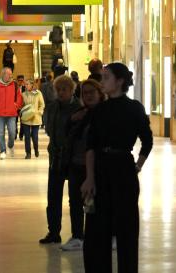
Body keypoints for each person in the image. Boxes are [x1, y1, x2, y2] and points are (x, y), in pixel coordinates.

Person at [81, 62, 153, 273]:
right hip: (101, 169)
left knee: (126, 229)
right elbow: (91, 146)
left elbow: (147, 141)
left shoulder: (134, 108)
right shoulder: (99, 110)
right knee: (97, 229)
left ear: (119, 81)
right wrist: (89, 177)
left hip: (123, 168)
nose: (102, 82)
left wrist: (137, 166)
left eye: (106, 77)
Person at [61, 79, 105, 252]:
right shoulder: (80, 113)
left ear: (99, 93)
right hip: (76, 164)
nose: (88, 96)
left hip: (96, 166)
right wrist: (71, 120)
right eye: (84, 93)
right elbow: (67, 134)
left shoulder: (104, 113)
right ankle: (78, 236)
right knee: (75, 202)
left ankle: (101, 235)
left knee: (97, 203)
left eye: (91, 92)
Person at [41, 74, 81, 245]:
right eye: (58, 90)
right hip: (56, 157)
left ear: (71, 90)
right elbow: (49, 129)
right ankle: (53, 232)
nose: (61, 92)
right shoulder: (52, 107)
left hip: (73, 158)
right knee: (53, 196)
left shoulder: (79, 108)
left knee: (75, 198)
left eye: (64, 89)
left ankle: (78, 233)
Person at [0, 67, 23, 159]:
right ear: (3, 74)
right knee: (1, 133)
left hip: (11, 114)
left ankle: (10, 146)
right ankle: (2, 151)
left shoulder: (14, 84)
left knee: (12, 132)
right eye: (9, 74)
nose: (11, 75)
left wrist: (16, 106)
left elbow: (19, 97)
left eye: (11, 74)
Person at [21, 80, 46, 159]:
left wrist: (40, 112)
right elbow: (21, 105)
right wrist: (21, 111)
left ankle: (36, 149)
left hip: (36, 118)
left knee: (35, 137)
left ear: (32, 85)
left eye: (27, 84)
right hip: (26, 118)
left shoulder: (38, 93)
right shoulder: (23, 94)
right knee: (27, 137)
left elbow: (42, 104)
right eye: (25, 84)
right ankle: (28, 153)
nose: (26, 86)